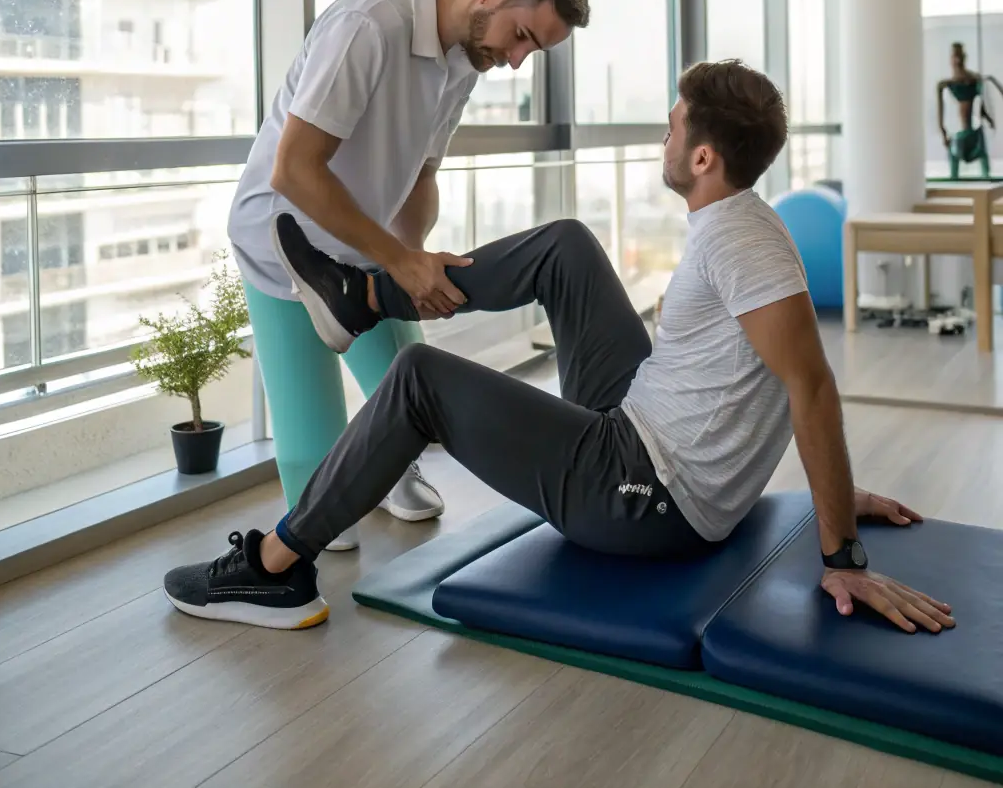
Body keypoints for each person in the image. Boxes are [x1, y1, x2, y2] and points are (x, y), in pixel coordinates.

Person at [168, 60, 953, 637]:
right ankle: (366, 295)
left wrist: (840, 549)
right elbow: (758, 383)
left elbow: (809, 386)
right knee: (567, 246)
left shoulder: (742, 243)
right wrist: (831, 492)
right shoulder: (743, 219)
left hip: (641, 492)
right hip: (641, 423)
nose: (666, 135)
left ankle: (274, 566)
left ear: (705, 158)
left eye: (676, 124)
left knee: (418, 379)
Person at [226, 0, 589, 550]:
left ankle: (389, 466)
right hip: (285, 243)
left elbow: (421, 175)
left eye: (534, 49)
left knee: (413, 396)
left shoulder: (464, 62)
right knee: (325, 517)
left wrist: (411, 258)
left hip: (363, 244)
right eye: (523, 36)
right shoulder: (368, 27)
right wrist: (400, 262)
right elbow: (295, 170)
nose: (518, 60)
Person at [937, 41, 1003, 179]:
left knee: (983, 162)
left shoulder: (974, 80)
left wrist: (988, 118)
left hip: (974, 132)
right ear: (951, 59)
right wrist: (943, 133)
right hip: (957, 134)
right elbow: (941, 113)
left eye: (960, 56)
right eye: (955, 57)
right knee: (954, 163)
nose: (958, 60)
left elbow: (982, 103)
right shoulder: (945, 85)